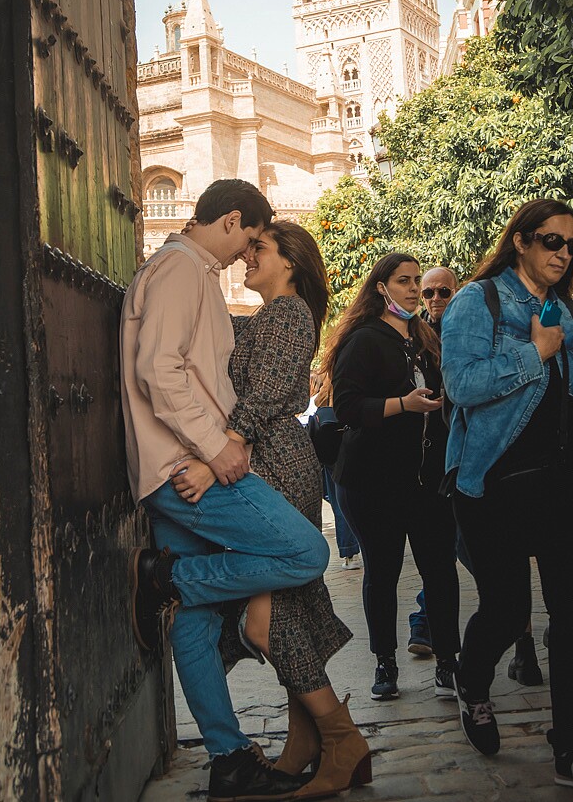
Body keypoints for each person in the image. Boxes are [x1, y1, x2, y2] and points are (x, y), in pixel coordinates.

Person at [120, 180, 329, 802]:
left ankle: (229, 757)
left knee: (193, 623)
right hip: (192, 466)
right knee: (305, 553)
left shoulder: (185, 272)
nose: (245, 255)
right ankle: (166, 577)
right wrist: (217, 449)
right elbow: (158, 368)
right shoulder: (182, 271)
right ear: (233, 219)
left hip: (174, 467)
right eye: (250, 238)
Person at [170, 221, 371, 798]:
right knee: (287, 608)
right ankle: (310, 742)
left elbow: (264, 396)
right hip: (272, 463)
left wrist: (217, 457)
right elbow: (214, 333)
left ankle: (343, 739)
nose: (247, 257)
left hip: (276, 464)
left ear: (291, 261)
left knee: (271, 616)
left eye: (260, 249)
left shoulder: (288, 313)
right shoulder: (270, 317)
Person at [441, 199, 573, 802]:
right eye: (551, 241)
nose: (563, 253)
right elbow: (462, 385)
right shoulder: (479, 300)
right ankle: (474, 686)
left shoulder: (563, 309)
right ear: (520, 241)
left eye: (571, 245)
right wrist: (536, 352)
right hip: (493, 485)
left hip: (561, 486)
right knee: (505, 610)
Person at [323, 253, 462, 703]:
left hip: (429, 480)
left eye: (416, 281)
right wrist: (403, 404)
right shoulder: (363, 340)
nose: (413, 289)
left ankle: (448, 662)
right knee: (381, 573)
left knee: (440, 571)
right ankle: (385, 662)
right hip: (373, 482)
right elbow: (346, 408)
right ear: (381, 287)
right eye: (404, 281)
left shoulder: (424, 337)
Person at [407, 265, 459, 657]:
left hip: (464, 452)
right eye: (429, 293)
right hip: (430, 457)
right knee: (440, 549)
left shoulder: (467, 330)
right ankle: (425, 622)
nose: (435, 300)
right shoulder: (414, 335)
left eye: (444, 292)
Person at [313, 374, 361, 570]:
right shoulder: (349, 381)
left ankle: (349, 553)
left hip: (330, 451)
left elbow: (317, 401)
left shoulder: (328, 382)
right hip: (349, 446)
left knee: (338, 503)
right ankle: (355, 548)